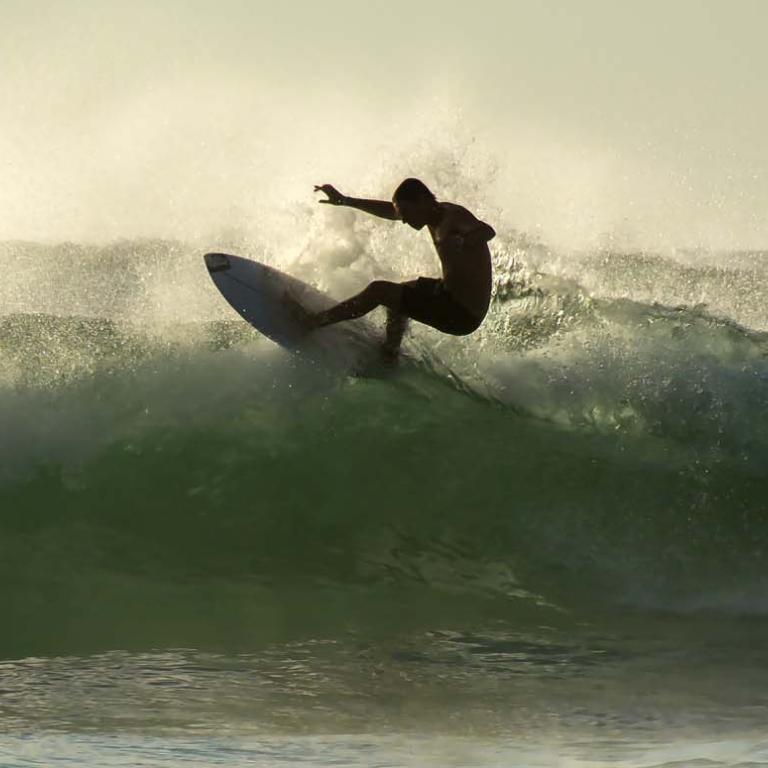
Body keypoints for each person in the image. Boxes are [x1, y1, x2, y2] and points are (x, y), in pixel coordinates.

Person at [294, 177, 495, 360]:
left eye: (407, 213)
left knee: (379, 291)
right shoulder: (432, 214)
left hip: (461, 314)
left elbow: (487, 231)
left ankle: (311, 322)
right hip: (448, 294)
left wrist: (463, 240)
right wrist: (345, 200)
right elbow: (391, 211)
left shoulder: (453, 217)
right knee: (398, 295)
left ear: (422, 201)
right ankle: (390, 354)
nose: (405, 220)